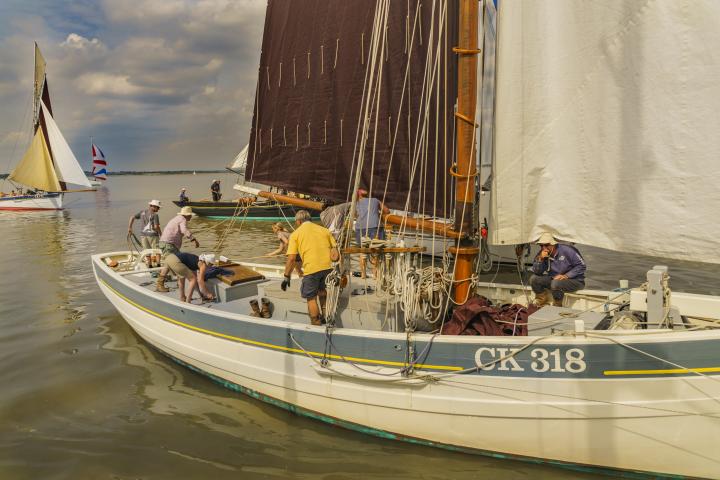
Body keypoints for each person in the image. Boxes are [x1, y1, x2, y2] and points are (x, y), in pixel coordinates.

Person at [282, 210, 339, 326]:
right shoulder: (324, 230)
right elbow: (335, 251)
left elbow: (291, 259)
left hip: (312, 270)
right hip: (328, 268)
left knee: (311, 298)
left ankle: (316, 322)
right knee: (323, 293)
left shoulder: (295, 235)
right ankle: (327, 319)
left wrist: (286, 276)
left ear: (298, 221)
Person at [529, 232, 586, 307]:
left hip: (575, 281)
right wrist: (540, 259)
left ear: (553, 244)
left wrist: (566, 276)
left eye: (546, 245)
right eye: (541, 245)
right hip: (554, 279)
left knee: (555, 283)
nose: (543, 248)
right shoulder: (541, 253)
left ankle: (557, 305)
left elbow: (581, 266)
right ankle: (541, 300)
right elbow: (537, 272)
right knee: (534, 279)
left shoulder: (568, 250)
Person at [156, 206, 200, 292]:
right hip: (169, 244)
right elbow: (184, 230)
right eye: (190, 215)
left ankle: (175, 281)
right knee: (173, 262)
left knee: (171, 262)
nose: (191, 217)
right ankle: (160, 284)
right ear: (186, 215)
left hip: (166, 243)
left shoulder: (177, 218)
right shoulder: (182, 219)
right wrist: (193, 239)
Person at [354, 188, 389, 278]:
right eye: (362, 189)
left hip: (360, 228)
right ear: (358, 192)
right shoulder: (374, 200)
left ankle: (363, 273)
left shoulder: (355, 203)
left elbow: (354, 215)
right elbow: (387, 211)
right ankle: (375, 273)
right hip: (375, 226)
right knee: (375, 250)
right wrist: (378, 214)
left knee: (363, 251)